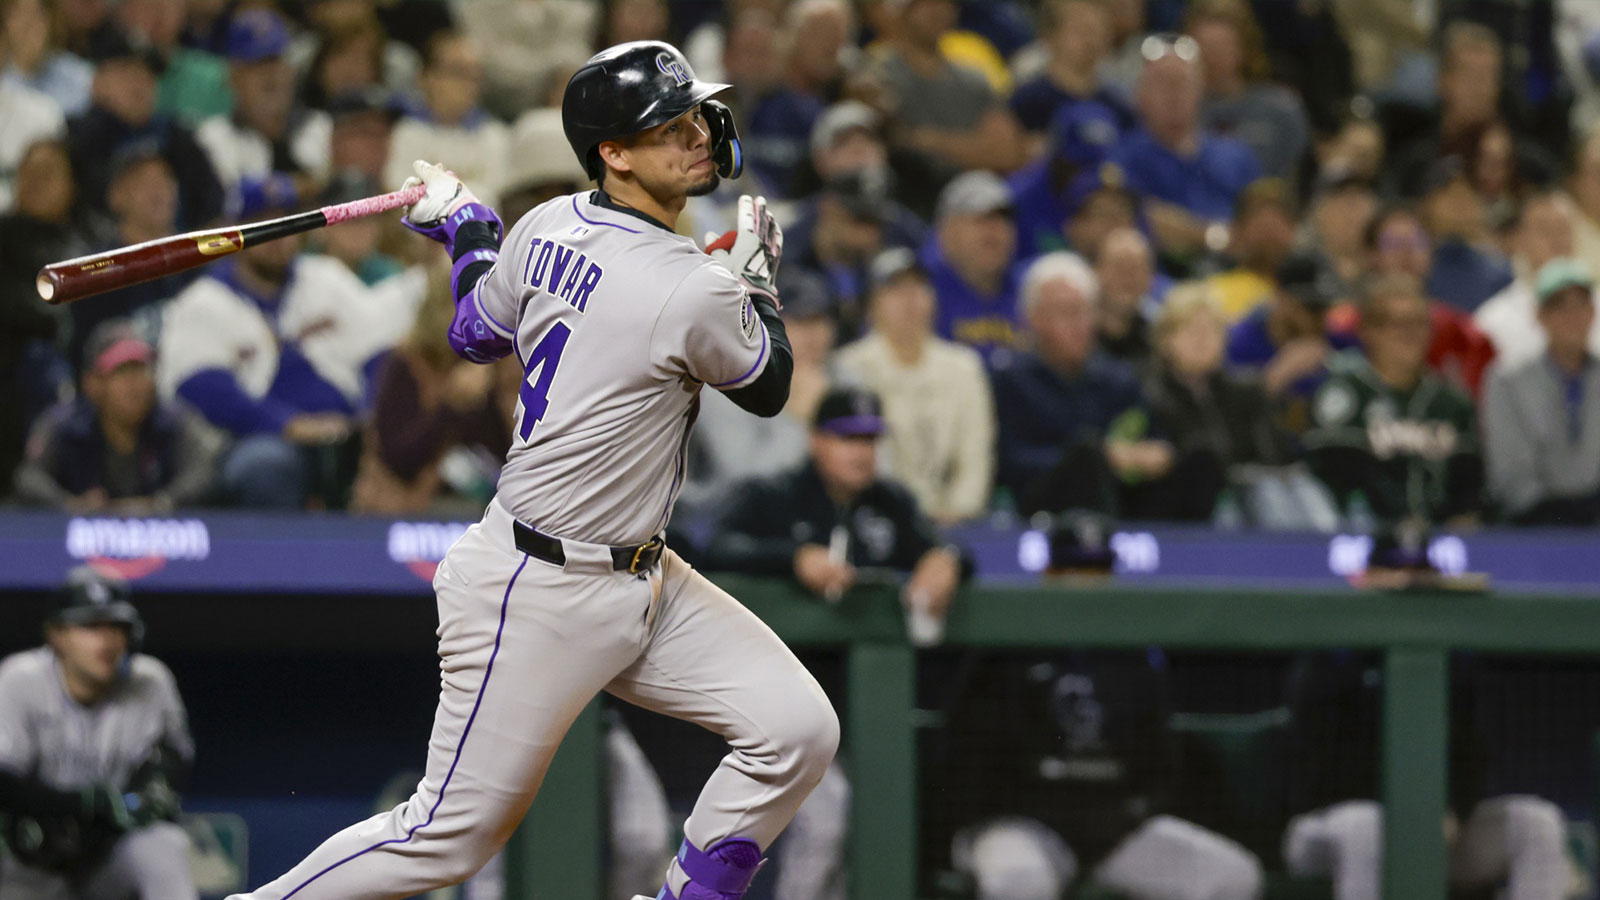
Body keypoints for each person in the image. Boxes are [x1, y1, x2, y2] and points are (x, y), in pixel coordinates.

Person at [224, 40, 839, 900]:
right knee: (439, 840)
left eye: (694, 113)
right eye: (667, 126)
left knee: (797, 728)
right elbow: (770, 386)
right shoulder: (688, 288)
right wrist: (756, 284)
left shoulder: (550, 221)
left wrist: (467, 225)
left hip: (642, 577)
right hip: (537, 589)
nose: (696, 134)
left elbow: (474, 326)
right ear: (613, 154)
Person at [927, 648, 1263, 900]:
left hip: (1109, 831)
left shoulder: (1132, 654)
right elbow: (963, 768)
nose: (1085, 580)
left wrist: (1126, 814)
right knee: (1020, 882)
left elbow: (1160, 768)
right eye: (1072, 569)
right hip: (1019, 826)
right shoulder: (1004, 649)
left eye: (1095, 570)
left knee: (1232, 876)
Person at [156, 208, 399, 510]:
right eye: (262, 225)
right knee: (265, 467)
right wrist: (288, 423)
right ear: (233, 232)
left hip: (346, 431)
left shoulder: (326, 278)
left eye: (286, 225)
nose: (277, 239)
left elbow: (380, 353)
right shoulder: (204, 300)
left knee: (398, 458)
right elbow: (201, 386)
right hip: (258, 436)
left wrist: (372, 423)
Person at [1283, 652, 1568, 900]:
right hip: (1327, 830)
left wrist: (1454, 808)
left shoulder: (1454, 664)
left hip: (1435, 828)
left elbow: (1471, 756)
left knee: (1536, 823)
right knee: (1366, 825)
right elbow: (1320, 777)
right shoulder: (1329, 662)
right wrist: (1409, 818)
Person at [703, 385, 967, 640]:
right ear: (815, 440)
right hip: (783, 649)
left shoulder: (891, 501)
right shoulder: (772, 494)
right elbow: (719, 548)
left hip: (868, 655)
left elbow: (945, 548)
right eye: (848, 439)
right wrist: (793, 559)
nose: (862, 452)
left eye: (870, 440)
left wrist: (946, 560)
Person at [0, 566, 196, 900]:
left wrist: (137, 801)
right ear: (56, 634)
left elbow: (168, 766)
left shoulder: (150, 682)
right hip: (29, 860)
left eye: (116, 627)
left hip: (106, 855)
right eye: (90, 626)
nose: (106, 639)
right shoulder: (21, 679)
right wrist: (78, 805)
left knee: (163, 844)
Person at [991, 252, 1174, 518]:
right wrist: (1097, 459)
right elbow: (1008, 461)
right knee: (1087, 451)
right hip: (1041, 509)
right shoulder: (1010, 380)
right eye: (1066, 312)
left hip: (1125, 501)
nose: (1079, 325)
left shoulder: (1118, 378)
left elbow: (1153, 439)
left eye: (1085, 311)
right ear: (1033, 319)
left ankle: (1195, 553)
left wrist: (1155, 454)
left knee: (1199, 460)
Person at [1305, 275, 1484, 528]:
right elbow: (1337, 473)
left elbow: (1468, 484)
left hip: (1441, 540)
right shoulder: (1346, 394)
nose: (1408, 333)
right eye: (1394, 323)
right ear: (1366, 330)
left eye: (1417, 322)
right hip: (1363, 535)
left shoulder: (1451, 402)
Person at [836, 248, 995, 523]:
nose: (910, 300)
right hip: (876, 517)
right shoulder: (850, 368)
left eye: (919, 288)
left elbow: (975, 457)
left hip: (952, 521)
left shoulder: (964, 367)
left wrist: (958, 512)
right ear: (872, 305)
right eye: (895, 289)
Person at [351, 269, 519, 515]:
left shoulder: (496, 365)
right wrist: (453, 404)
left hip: (481, 507)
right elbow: (397, 458)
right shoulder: (406, 363)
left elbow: (508, 458)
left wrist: (506, 388)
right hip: (406, 508)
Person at [15, 322, 217, 512]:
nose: (134, 384)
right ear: (92, 383)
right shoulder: (64, 423)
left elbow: (204, 471)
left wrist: (162, 502)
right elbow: (29, 478)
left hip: (158, 540)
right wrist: (70, 504)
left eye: (141, 370)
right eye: (121, 372)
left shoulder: (173, 419)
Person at [1109, 32, 1261, 265]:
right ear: (1139, 94)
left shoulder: (1235, 156)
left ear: (1201, 90)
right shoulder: (1121, 157)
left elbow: (1257, 226)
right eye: (1161, 82)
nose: (1174, 93)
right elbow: (1134, 219)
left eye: (1183, 81)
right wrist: (1213, 237)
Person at [1482, 259, 1600, 525]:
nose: (1573, 316)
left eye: (1582, 305)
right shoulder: (1507, 380)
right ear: (1540, 315)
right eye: (1560, 306)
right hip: (1532, 524)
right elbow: (1509, 470)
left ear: (1593, 313)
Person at [194, 8, 328, 219]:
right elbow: (234, 203)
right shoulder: (212, 136)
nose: (270, 75)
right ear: (233, 78)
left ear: (290, 71)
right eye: (257, 65)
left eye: (276, 62)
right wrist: (306, 186)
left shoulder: (319, 127)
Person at [1225, 251, 1357, 436]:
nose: (1316, 319)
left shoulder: (1339, 343)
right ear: (1279, 298)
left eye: (1323, 308)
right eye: (1309, 307)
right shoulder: (1237, 342)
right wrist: (1278, 375)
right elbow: (1225, 421)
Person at [1182, 0, 1309, 181]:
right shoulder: (1175, 110)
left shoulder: (1280, 109)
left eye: (1222, 46)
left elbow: (1296, 177)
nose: (1211, 57)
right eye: (1204, 47)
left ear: (1243, 48)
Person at [384, 29, 509, 209]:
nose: (468, 84)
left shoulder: (494, 136)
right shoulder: (406, 133)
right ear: (427, 76)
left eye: (474, 75)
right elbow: (399, 198)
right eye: (458, 72)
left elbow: (497, 199)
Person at [1475, 192, 1600, 367]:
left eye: (1563, 229)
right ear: (1520, 240)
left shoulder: (1597, 303)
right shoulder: (1492, 321)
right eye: (1544, 230)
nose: (1557, 239)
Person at [922, 170, 1026, 367]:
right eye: (980, 220)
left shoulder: (1031, 293)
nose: (994, 230)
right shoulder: (922, 293)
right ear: (946, 233)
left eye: (1003, 218)